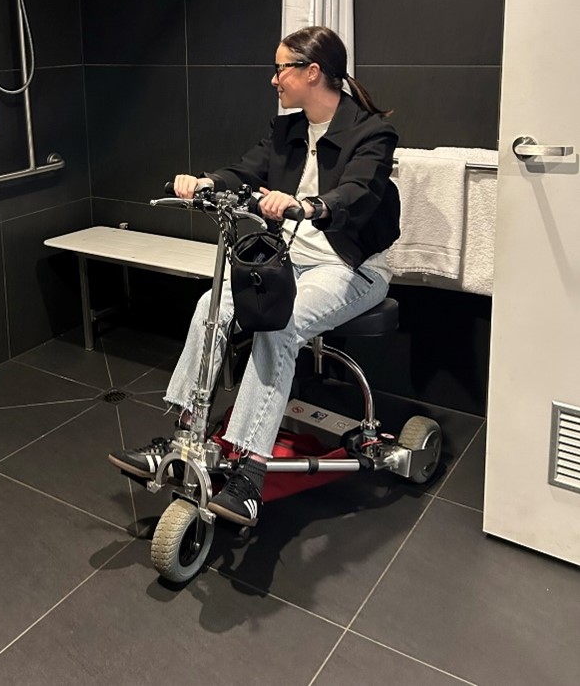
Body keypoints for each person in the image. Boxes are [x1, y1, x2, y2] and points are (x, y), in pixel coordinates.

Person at [109, 26, 400, 527]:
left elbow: (358, 190)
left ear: (312, 72)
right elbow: (245, 170)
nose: (273, 78)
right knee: (210, 306)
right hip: (286, 263)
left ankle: (249, 471)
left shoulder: (370, 132)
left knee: (277, 324)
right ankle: (181, 436)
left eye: (281, 67)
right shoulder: (286, 129)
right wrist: (205, 183)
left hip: (350, 266)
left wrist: (309, 205)